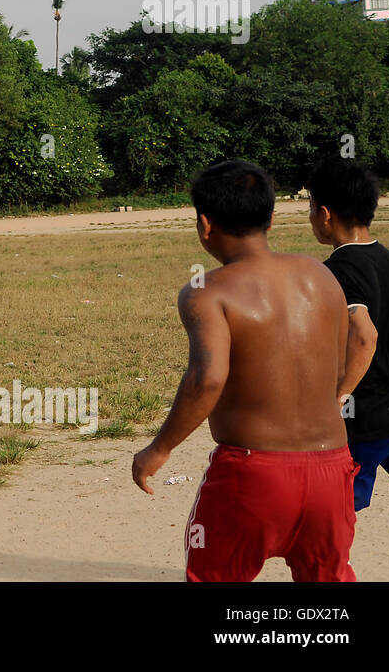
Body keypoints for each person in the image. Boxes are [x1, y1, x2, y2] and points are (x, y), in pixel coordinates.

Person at [131, 160, 357, 582]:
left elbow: (208, 378)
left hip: (253, 474)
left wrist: (159, 449)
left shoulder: (206, 291)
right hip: (332, 467)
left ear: (204, 224)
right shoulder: (322, 275)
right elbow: (343, 355)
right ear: (271, 217)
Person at [308, 155, 389, 511]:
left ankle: (332, 567)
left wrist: (340, 394)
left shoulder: (340, 269)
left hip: (366, 419)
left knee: (338, 504)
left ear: (326, 214)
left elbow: (364, 336)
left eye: (312, 207)